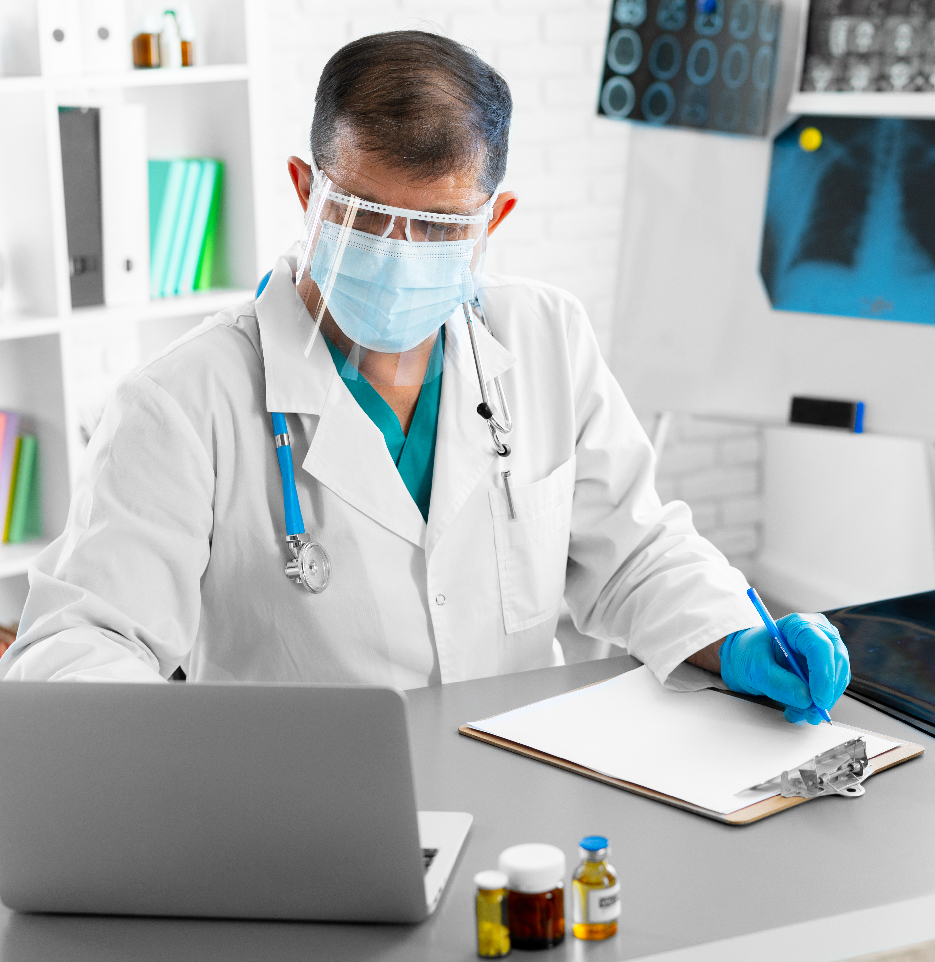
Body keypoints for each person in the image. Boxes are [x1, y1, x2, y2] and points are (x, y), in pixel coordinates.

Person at [0, 31, 849, 723]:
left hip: (528, 772)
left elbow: (632, 556)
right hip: (306, 814)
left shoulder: (545, 335)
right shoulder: (183, 402)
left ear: (494, 220)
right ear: (306, 190)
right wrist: (181, 768)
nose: (399, 256)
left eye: (439, 227)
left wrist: (733, 635)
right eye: (367, 216)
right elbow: (79, 644)